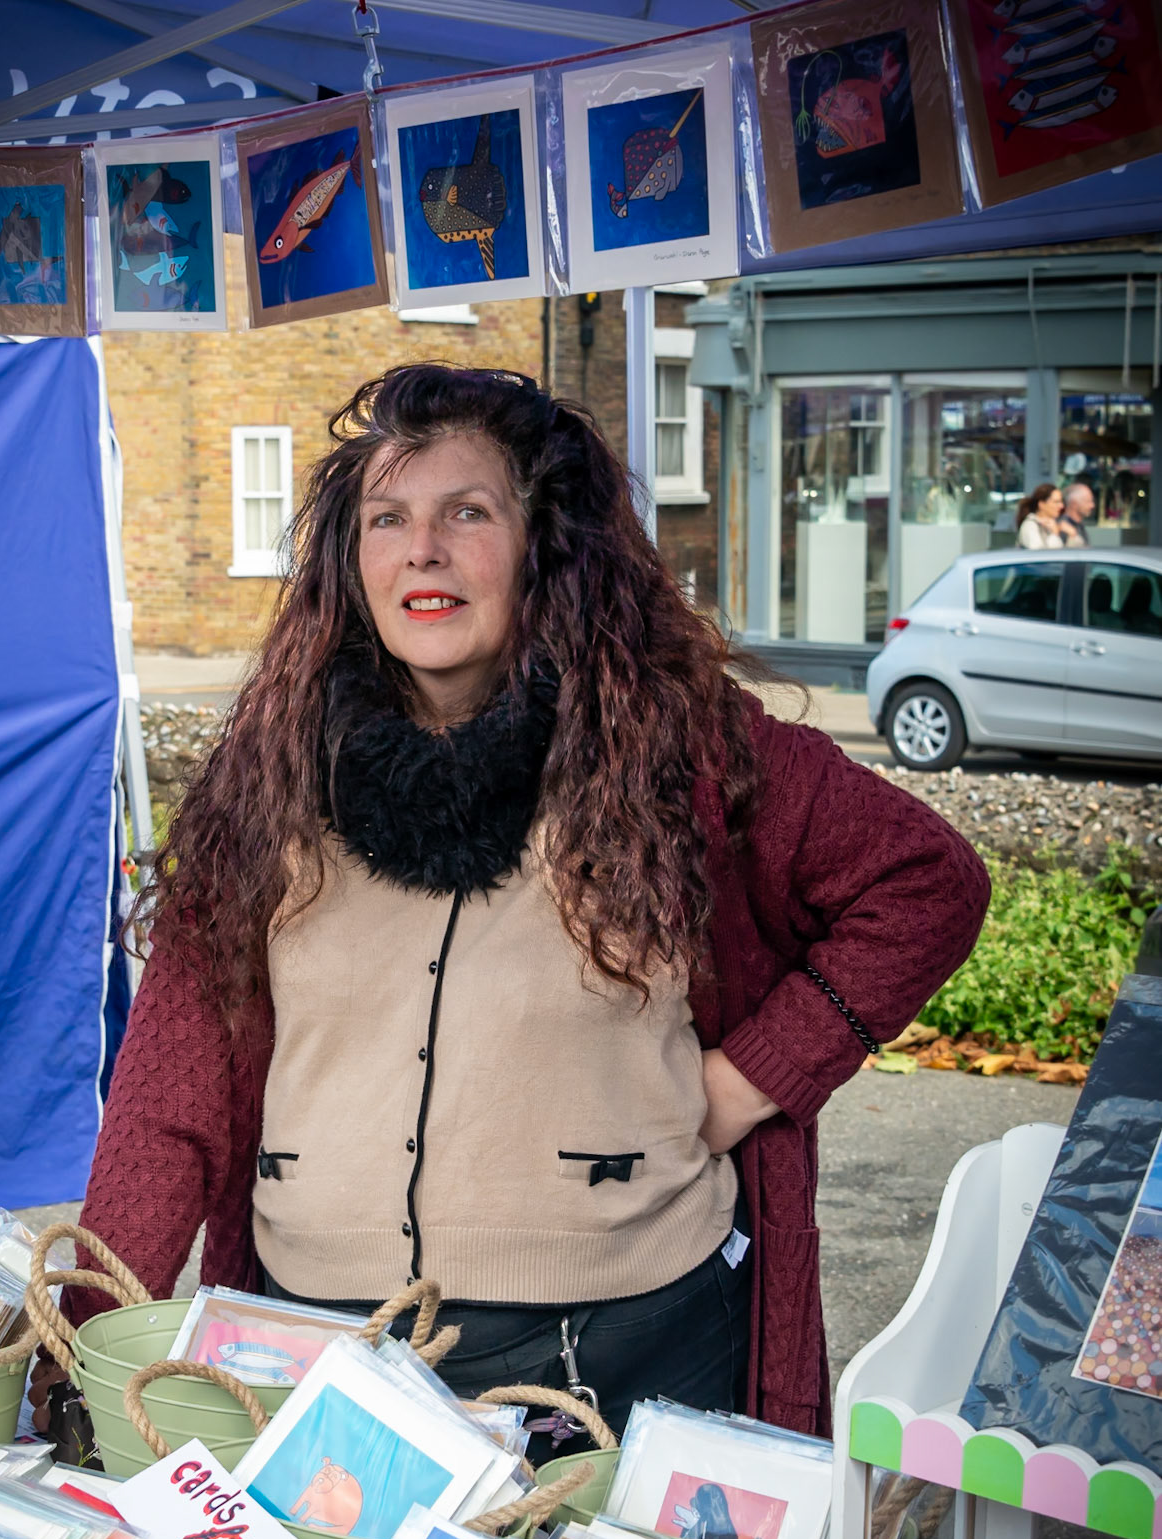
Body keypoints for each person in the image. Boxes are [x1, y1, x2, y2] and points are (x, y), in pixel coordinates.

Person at [70, 366, 989, 1444]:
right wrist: (83, 1332)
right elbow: (166, 1099)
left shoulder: (677, 747)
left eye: (467, 511)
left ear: (544, 541)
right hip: (314, 1354)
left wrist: (750, 1079)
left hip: (621, 1355)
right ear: (347, 557)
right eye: (388, 517)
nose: (423, 548)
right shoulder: (268, 775)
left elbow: (925, 881)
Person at [1016, 483, 1065, 548]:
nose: (1061, 506)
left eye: (1061, 501)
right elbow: (1040, 555)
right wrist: (1055, 534)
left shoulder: (1052, 524)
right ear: (1041, 504)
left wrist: (1072, 535)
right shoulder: (1030, 525)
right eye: (1056, 502)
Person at [1059, 481, 1095, 547]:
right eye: (1088, 501)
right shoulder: (1063, 527)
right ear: (1074, 503)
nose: (1092, 505)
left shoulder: (1079, 525)